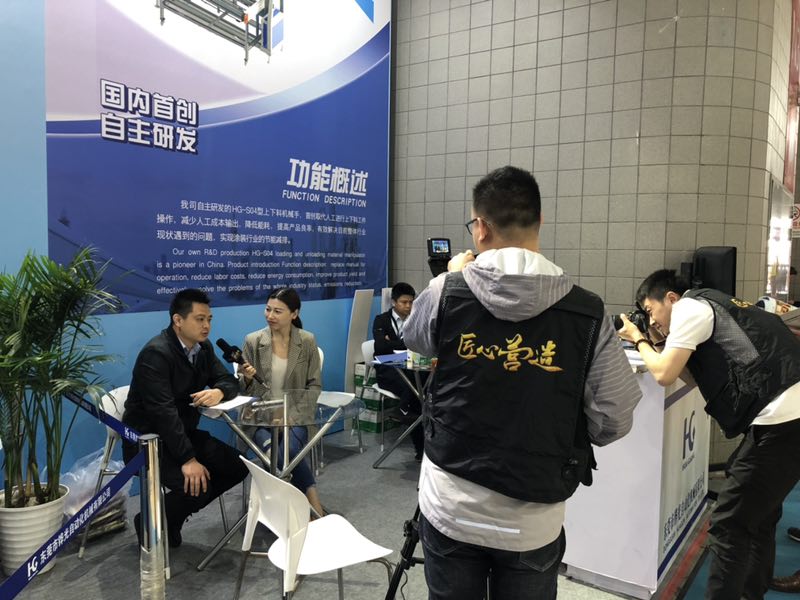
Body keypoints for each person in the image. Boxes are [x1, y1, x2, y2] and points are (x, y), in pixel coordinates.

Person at [403, 165, 642, 600]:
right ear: (540, 221)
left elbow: (415, 338)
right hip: (533, 518)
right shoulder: (587, 312)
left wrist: (450, 276)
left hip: (451, 504)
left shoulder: (447, 291)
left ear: (480, 228)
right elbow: (615, 419)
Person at [617, 269, 800, 599]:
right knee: (759, 516)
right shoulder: (711, 305)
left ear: (671, 298)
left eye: (651, 311)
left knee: (729, 524)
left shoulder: (689, 308)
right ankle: (751, 592)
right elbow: (690, 378)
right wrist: (656, 340)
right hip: (787, 414)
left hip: (781, 419)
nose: (652, 320)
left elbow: (664, 374)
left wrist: (637, 338)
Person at [122, 288, 248, 547]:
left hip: (182, 434)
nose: (206, 326)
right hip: (148, 442)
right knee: (197, 485)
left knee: (237, 466)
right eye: (199, 319)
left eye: (209, 319)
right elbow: (163, 413)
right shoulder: (156, 354)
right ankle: (149, 521)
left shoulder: (203, 348)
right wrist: (189, 459)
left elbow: (228, 380)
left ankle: (169, 518)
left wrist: (218, 391)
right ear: (178, 320)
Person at [238, 287, 325, 517]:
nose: (270, 316)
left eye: (277, 311)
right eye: (268, 309)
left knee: (288, 452)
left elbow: (314, 386)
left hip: (295, 416)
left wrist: (291, 415)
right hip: (260, 418)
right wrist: (247, 379)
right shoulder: (253, 341)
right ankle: (311, 505)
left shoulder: (306, 341)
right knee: (275, 455)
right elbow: (243, 392)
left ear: (294, 314)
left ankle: (287, 510)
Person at [372, 281, 425, 461]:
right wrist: (403, 344)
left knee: (421, 390)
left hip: (409, 366)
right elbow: (380, 347)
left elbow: (420, 343)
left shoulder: (416, 319)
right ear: (394, 302)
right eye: (404, 302)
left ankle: (403, 409)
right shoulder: (381, 320)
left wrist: (392, 343)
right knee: (416, 394)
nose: (408, 306)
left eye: (411, 302)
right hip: (386, 369)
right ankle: (404, 410)